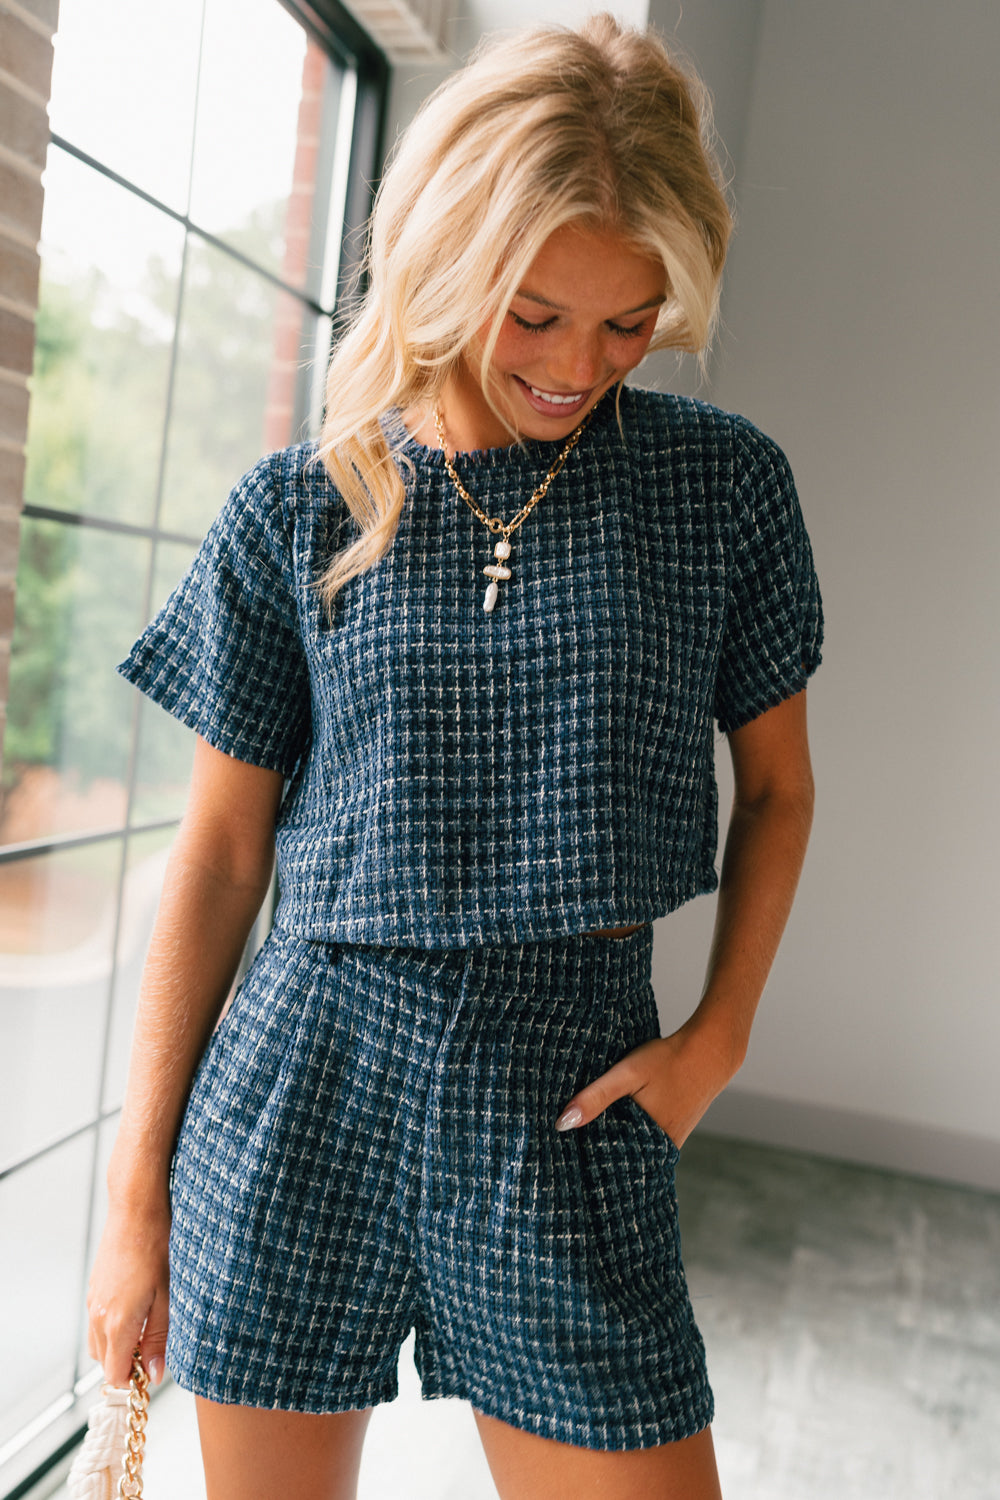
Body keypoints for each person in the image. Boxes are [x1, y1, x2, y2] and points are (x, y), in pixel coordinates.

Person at [87, 13, 821, 1500]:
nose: (581, 363)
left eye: (632, 321)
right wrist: (134, 1195)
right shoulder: (300, 509)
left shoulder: (721, 489)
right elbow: (223, 856)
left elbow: (783, 790)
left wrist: (718, 1039)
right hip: (305, 1084)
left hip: (572, 1082)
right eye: (536, 311)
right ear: (446, 257)